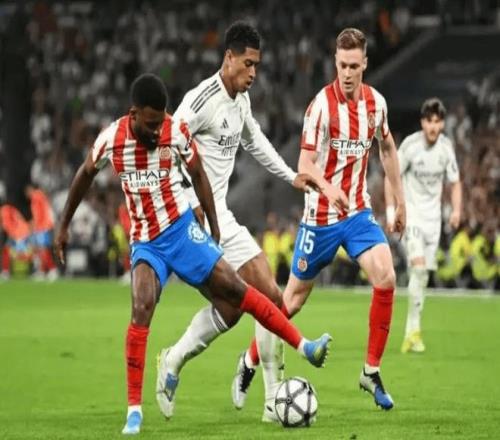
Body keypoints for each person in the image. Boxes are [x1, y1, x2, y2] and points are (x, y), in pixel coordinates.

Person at [53, 73, 331, 435]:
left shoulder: (174, 131)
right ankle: (134, 410)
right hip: (146, 243)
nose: (157, 130)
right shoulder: (112, 139)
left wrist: (213, 223)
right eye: (151, 123)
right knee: (141, 305)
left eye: (161, 121)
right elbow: (84, 175)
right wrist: (63, 225)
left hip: (182, 232)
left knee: (237, 294)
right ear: (133, 114)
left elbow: (198, 173)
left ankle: (303, 347)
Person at [233, 27, 406, 411]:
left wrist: (399, 201)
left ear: (365, 64)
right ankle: (249, 360)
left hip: (357, 213)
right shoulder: (321, 107)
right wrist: (328, 189)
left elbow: (388, 148)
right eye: (342, 65)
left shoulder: (376, 104)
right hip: (320, 218)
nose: (348, 73)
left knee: (386, 276)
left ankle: (371, 371)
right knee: (290, 301)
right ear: (335, 63)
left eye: (354, 66)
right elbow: (304, 163)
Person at [158, 21, 323, 423]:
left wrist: (291, 176)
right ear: (228, 57)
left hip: (221, 217)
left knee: (266, 299)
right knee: (238, 304)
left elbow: (256, 141)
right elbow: (167, 146)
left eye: (257, 66)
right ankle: (174, 361)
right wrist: (188, 201)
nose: (253, 73)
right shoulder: (201, 100)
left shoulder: (241, 102)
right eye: (248, 64)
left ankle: (269, 400)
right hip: (189, 220)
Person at [386, 98, 462, 353]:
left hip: (434, 220)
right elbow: (391, 176)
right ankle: (413, 331)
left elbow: (455, 182)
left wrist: (457, 210)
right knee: (418, 269)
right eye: (429, 121)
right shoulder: (410, 146)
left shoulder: (446, 149)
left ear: (442, 124)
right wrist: (391, 211)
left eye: (437, 121)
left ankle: (412, 332)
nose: (433, 126)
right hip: (413, 216)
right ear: (422, 123)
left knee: (423, 274)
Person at [25, 184, 58, 280]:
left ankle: (52, 269)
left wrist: (34, 225)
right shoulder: (41, 195)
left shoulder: (36, 196)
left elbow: (38, 213)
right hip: (44, 225)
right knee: (40, 250)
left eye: (27, 191)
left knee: (43, 249)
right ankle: (42, 271)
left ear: (30, 189)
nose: (27, 195)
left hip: (43, 226)